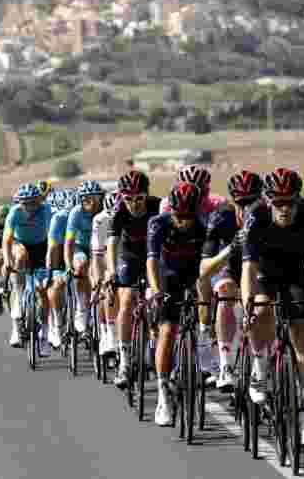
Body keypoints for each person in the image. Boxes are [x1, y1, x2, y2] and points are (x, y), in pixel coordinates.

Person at [241, 167, 304, 448]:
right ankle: (259, 368)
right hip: (265, 274)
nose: (284, 208)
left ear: (298, 199)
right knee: (259, 311)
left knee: (302, 340)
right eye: (277, 203)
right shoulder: (255, 216)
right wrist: (247, 305)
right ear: (268, 201)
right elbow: (248, 267)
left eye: (289, 202)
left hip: (297, 275)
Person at [147, 182, 210, 426]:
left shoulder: (205, 225)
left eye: (188, 216)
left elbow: (211, 265)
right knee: (168, 330)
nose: (183, 221)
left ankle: (204, 343)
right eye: (178, 216)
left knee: (207, 293)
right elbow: (151, 261)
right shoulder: (158, 224)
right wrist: (155, 291)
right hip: (167, 275)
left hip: (194, 274)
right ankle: (163, 394)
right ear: (170, 210)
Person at [199, 170, 265, 392]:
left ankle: (264, 362)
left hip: (257, 266)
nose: (246, 208)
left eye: (251, 202)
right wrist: (231, 248)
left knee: (266, 305)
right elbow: (205, 268)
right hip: (230, 266)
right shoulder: (221, 216)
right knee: (225, 291)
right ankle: (225, 366)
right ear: (231, 200)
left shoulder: (268, 214)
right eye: (240, 203)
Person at [160, 165, 227, 380]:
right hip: (175, 259)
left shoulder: (217, 204)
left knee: (214, 294)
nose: (193, 193)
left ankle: (208, 339)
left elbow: (224, 238)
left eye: (199, 189)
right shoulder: (167, 204)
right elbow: (160, 242)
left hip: (206, 259)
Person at [106, 169, 162, 389]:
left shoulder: (158, 206)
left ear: (147, 195)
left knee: (156, 297)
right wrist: (110, 271)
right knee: (127, 299)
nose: (134, 204)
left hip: (154, 256)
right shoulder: (119, 211)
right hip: (129, 255)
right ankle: (125, 360)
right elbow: (111, 244)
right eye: (128, 199)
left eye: (139, 198)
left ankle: (157, 340)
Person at [3, 183, 53, 348]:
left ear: (39, 200)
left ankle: (46, 327)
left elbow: (54, 234)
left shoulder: (46, 210)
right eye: (24, 203)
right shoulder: (15, 212)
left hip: (41, 246)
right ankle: (16, 321)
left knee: (42, 288)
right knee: (20, 256)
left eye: (32, 202)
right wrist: (7, 259)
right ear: (19, 202)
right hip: (21, 243)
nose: (29, 207)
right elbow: (7, 239)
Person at [64, 181, 103, 339]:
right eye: (86, 199)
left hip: (100, 247)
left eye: (94, 198)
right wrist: (68, 264)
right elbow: (69, 242)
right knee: (80, 266)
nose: (90, 202)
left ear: (100, 198)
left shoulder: (105, 210)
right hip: (81, 248)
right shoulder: (76, 213)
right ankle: (81, 307)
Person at [90, 190, 119, 360]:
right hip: (105, 253)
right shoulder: (100, 220)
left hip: (125, 253)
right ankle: (107, 331)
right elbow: (98, 256)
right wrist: (98, 281)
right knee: (104, 288)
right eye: (111, 217)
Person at [46, 189, 76, 348]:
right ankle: (57, 323)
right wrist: (51, 272)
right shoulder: (56, 220)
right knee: (55, 285)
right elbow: (51, 250)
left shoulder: (72, 217)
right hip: (54, 252)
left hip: (73, 251)